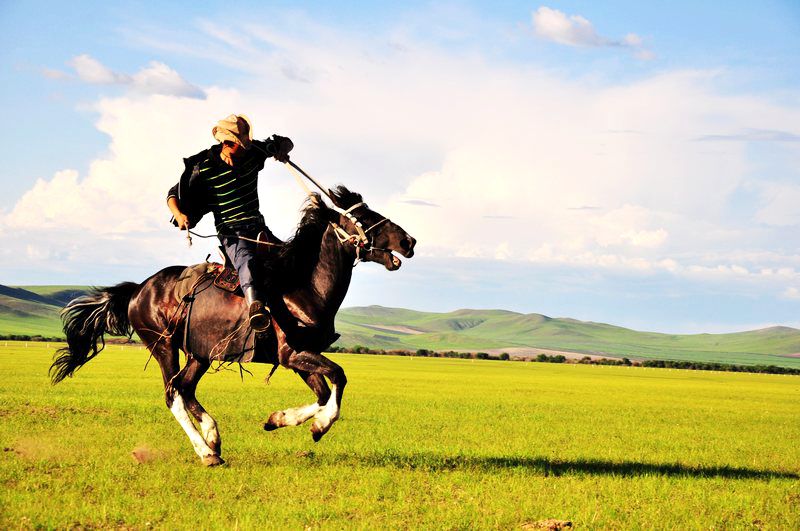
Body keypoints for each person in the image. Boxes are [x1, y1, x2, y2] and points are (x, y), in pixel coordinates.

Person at [167, 114, 293, 332]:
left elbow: (286, 142)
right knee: (247, 260)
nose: (245, 149)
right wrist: (179, 215)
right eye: (240, 145)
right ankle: (256, 308)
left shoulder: (254, 153)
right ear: (226, 143)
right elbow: (172, 194)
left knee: (288, 257)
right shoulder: (203, 167)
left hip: (259, 227)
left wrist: (282, 149)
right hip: (231, 232)